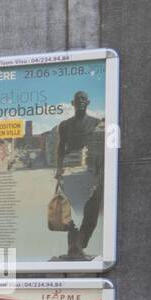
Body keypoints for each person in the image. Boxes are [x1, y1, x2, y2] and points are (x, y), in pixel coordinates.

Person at [54, 89, 105, 259]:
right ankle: (73, 249)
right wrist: (58, 170)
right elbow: (60, 148)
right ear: (72, 103)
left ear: (88, 103)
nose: (81, 101)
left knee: (91, 212)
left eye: (84, 99)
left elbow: (101, 149)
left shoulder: (96, 123)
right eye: (78, 99)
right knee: (73, 214)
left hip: (92, 173)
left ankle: (79, 246)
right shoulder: (65, 125)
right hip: (70, 173)